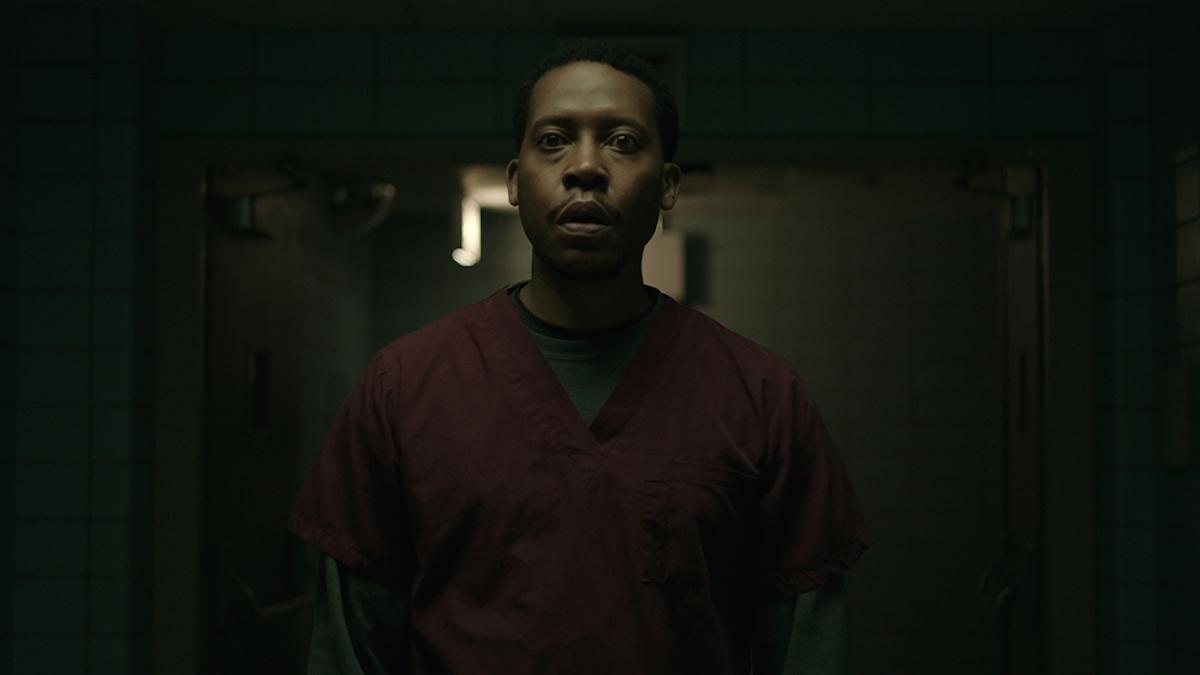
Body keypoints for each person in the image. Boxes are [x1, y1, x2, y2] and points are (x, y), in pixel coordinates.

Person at [288, 42, 868, 674]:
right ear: (515, 181)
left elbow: (808, 649)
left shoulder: (761, 398)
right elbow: (351, 650)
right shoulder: (404, 388)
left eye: (622, 141)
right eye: (555, 139)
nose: (586, 166)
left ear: (668, 184)